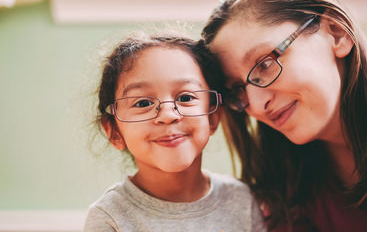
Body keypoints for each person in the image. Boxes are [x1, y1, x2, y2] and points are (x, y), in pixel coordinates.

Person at [201, 0, 367, 231]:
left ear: (336, 32)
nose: (258, 105)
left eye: (265, 63)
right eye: (238, 88)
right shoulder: (286, 171)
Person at [83, 33, 266, 232]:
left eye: (186, 97)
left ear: (213, 117)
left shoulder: (241, 201)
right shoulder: (110, 217)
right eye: (143, 103)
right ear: (114, 132)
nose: (168, 115)